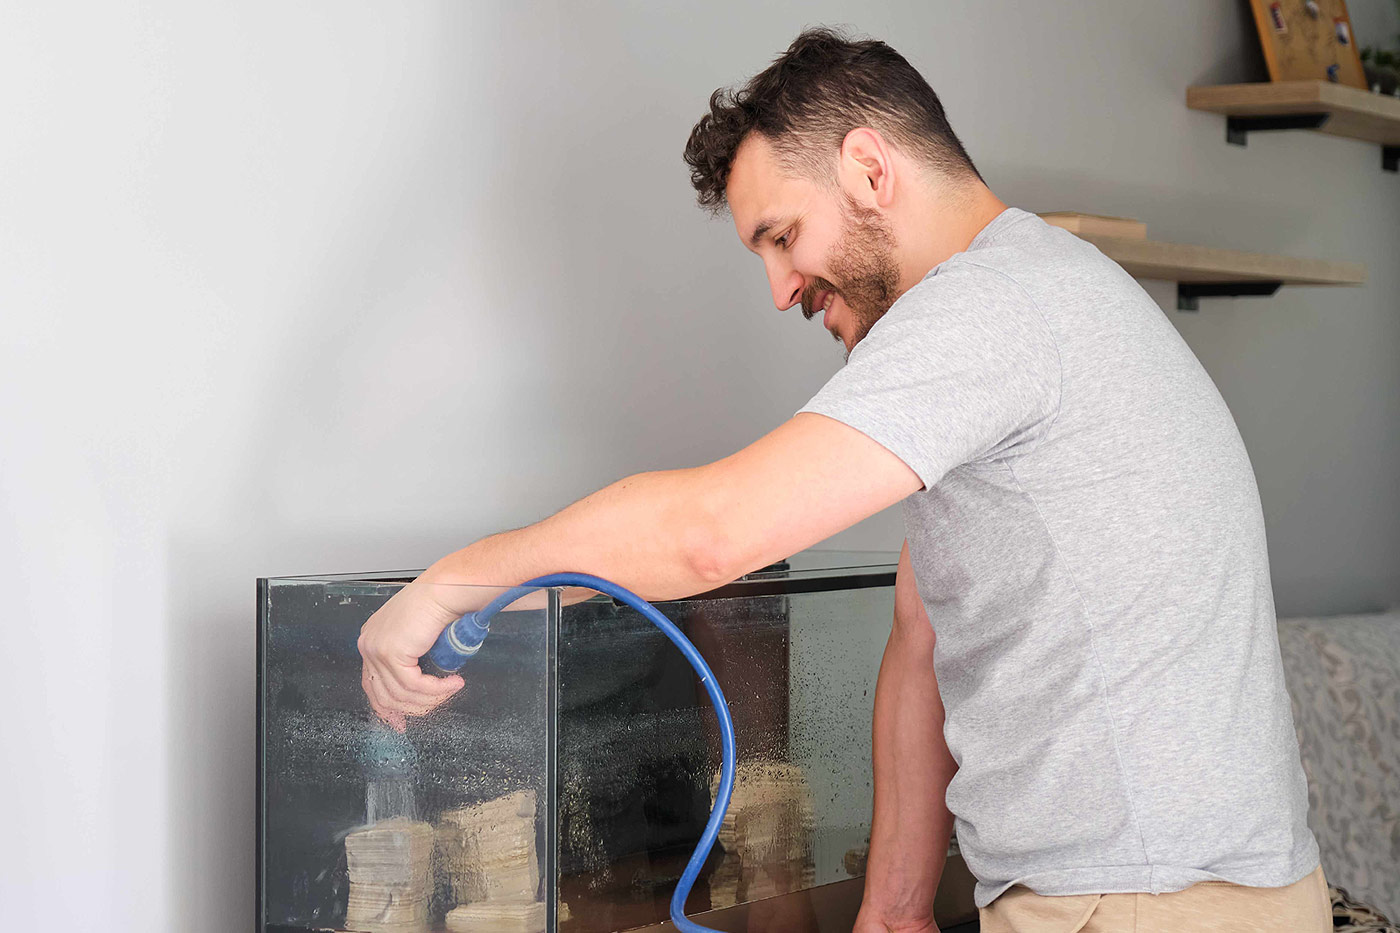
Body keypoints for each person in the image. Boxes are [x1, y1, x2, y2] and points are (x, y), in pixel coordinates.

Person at [358, 27, 1331, 933]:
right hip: (1172, 889)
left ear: (868, 168)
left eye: (780, 238)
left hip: (1141, 900)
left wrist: (448, 586)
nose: (780, 290)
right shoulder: (1040, 288)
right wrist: (893, 910)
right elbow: (920, 631)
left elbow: (711, 534)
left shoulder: (988, 310)